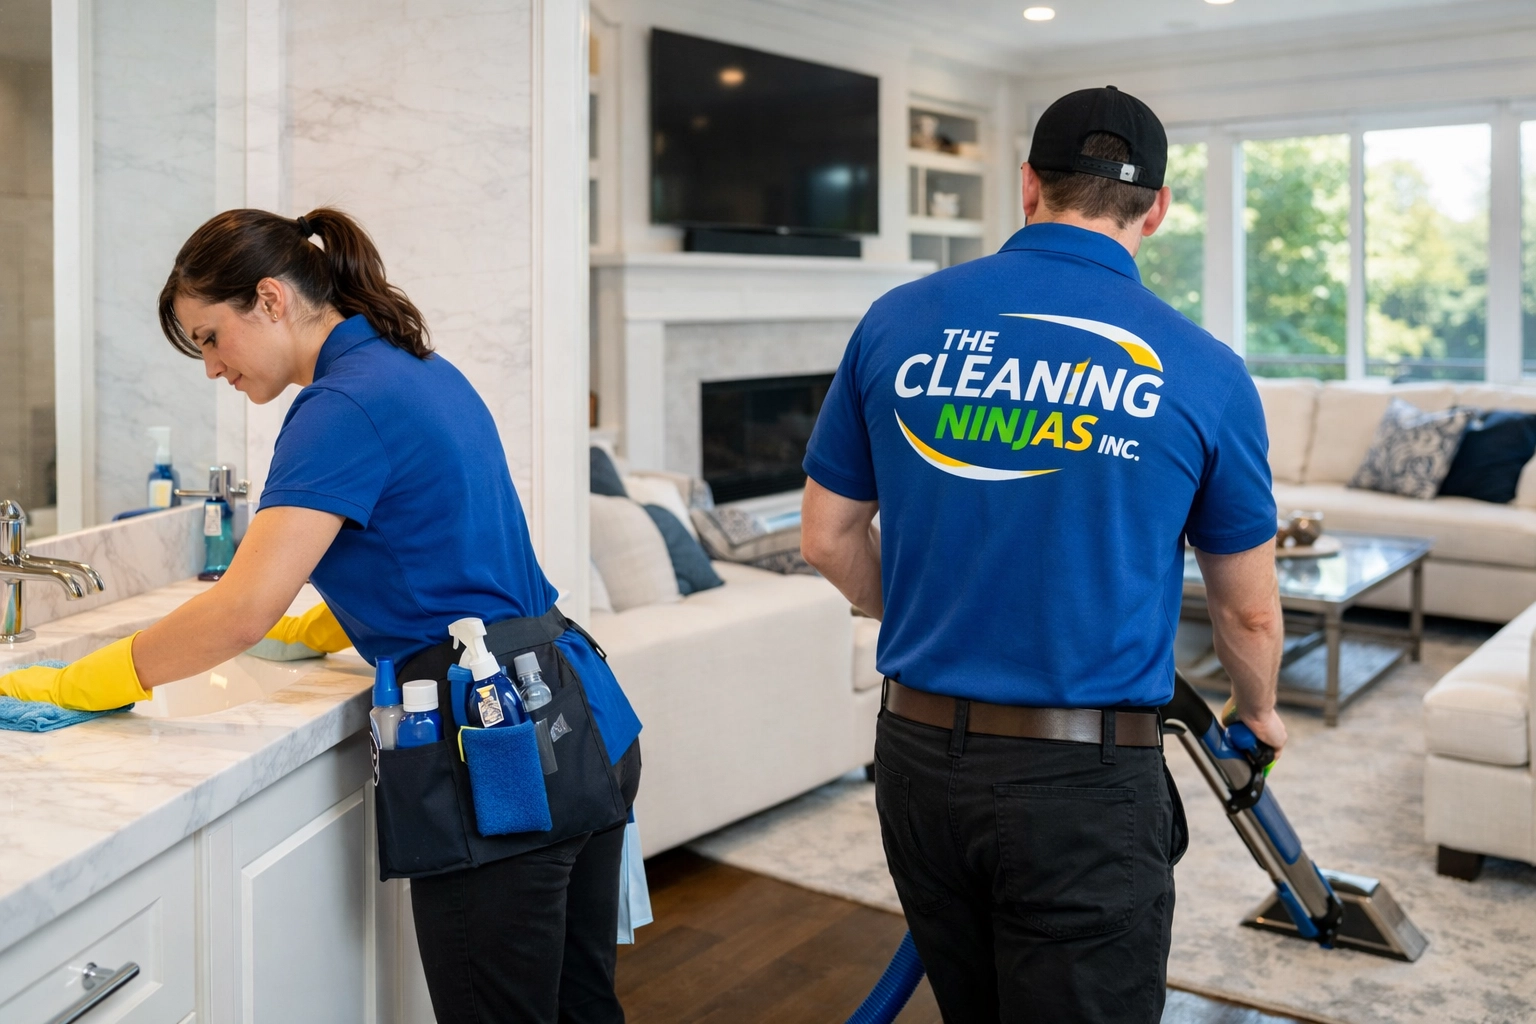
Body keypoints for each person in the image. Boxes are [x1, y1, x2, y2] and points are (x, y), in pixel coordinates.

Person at [0, 208, 641, 1024]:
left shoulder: (341, 405)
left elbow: (239, 612)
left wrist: (81, 681)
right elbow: (447, 547)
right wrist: (327, 627)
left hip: (498, 750)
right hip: (577, 717)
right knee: (582, 1009)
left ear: (270, 299)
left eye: (210, 338)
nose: (211, 367)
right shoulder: (415, 367)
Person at [800, 86, 1286, 1023]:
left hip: (916, 760)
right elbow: (1250, 610)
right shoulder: (1205, 369)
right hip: (1082, 786)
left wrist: (927, 613)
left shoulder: (896, 321)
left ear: (1028, 185)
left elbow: (825, 538)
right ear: (1157, 207)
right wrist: (1257, 711)